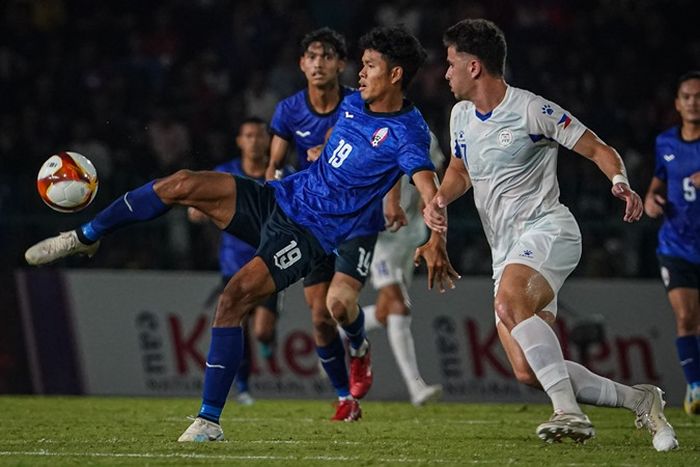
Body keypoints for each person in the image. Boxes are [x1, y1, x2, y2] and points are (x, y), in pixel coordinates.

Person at [24, 25, 458, 442]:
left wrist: (434, 235)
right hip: (278, 197)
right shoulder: (352, 102)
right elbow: (340, 141)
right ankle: (86, 235)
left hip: (309, 234)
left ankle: (210, 420)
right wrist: (322, 150)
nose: (359, 73)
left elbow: (426, 186)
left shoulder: (408, 133)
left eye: (369, 66)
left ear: (395, 74)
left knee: (237, 298)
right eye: (360, 65)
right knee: (181, 183)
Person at [420, 18, 677, 450]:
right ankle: (641, 399)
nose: (444, 73)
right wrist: (441, 199)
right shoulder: (461, 116)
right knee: (527, 370)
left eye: (450, 63)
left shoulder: (531, 110)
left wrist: (619, 183)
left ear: (475, 66)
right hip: (507, 253)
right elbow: (460, 170)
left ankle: (568, 413)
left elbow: (597, 147)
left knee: (508, 302)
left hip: (549, 230)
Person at [264, 27, 368, 421]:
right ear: (301, 64)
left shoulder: (357, 105)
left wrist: (330, 154)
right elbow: (273, 167)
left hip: (356, 217)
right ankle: (345, 397)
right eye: (312, 56)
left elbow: (375, 148)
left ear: (341, 64)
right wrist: (274, 190)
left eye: (327, 56)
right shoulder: (289, 110)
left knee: (339, 304)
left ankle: (359, 345)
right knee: (320, 317)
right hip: (313, 220)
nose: (319, 63)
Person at [188, 117, 284, 406]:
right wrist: (198, 211)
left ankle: (268, 341)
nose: (254, 141)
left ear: (269, 141)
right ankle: (243, 388)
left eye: (259, 136)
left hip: (269, 260)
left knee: (262, 330)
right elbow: (200, 202)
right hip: (233, 263)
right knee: (236, 322)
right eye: (248, 135)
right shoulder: (225, 173)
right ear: (240, 142)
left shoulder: (279, 173)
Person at [361, 131, 445, 406]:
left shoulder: (421, 132)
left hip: (409, 234)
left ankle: (335, 332)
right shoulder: (366, 129)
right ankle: (415, 387)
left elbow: (435, 167)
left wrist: (427, 198)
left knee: (387, 311)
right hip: (379, 235)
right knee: (398, 306)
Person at [644, 71, 700, 416]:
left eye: (699, 96)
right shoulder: (666, 143)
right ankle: (695, 388)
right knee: (685, 318)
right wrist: (652, 200)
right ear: (678, 104)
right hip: (676, 245)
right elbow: (658, 184)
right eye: (688, 96)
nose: (694, 102)